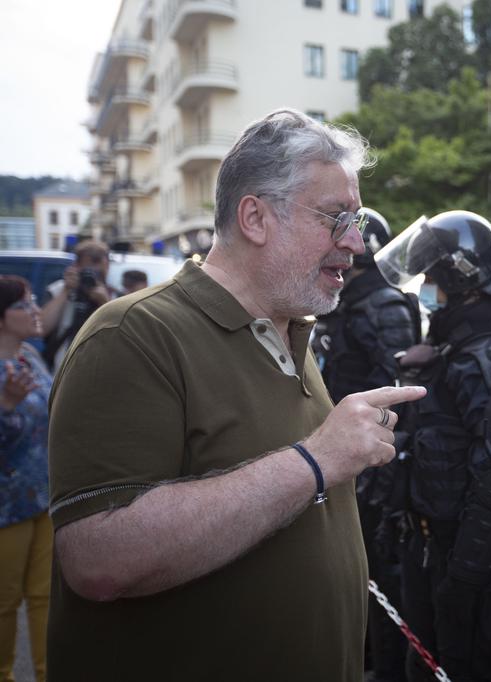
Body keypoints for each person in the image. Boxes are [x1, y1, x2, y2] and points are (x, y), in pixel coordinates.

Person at [46, 108, 425, 682]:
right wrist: (316, 461)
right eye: (335, 218)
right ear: (255, 217)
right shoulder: (132, 335)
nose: (355, 242)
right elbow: (99, 559)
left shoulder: (289, 328)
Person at [376, 210, 491, 681]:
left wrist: (463, 580)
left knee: (464, 666)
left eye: (432, 278)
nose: (425, 289)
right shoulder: (453, 347)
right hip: (429, 548)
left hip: (475, 563)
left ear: (464, 282)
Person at [316, 207, 419, 682]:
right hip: (345, 458)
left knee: (380, 578)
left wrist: (380, 476)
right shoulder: (346, 301)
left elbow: (396, 397)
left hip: (373, 467)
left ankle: (385, 667)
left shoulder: (381, 304)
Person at [0, 276, 53, 682]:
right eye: (25, 305)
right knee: (4, 603)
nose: (36, 311)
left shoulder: (31, 358)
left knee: (45, 598)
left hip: (43, 498)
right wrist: (6, 408)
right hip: (6, 507)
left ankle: (46, 672)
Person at [39, 240, 117, 369]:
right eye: (88, 271)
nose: (93, 278)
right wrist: (66, 291)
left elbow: (122, 336)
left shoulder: (115, 297)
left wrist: (105, 303)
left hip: (101, 368)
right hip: (62, 370)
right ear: (76, 266)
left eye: (98, 273)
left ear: (107, 267)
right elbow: (42, 328)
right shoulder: (58, 290)